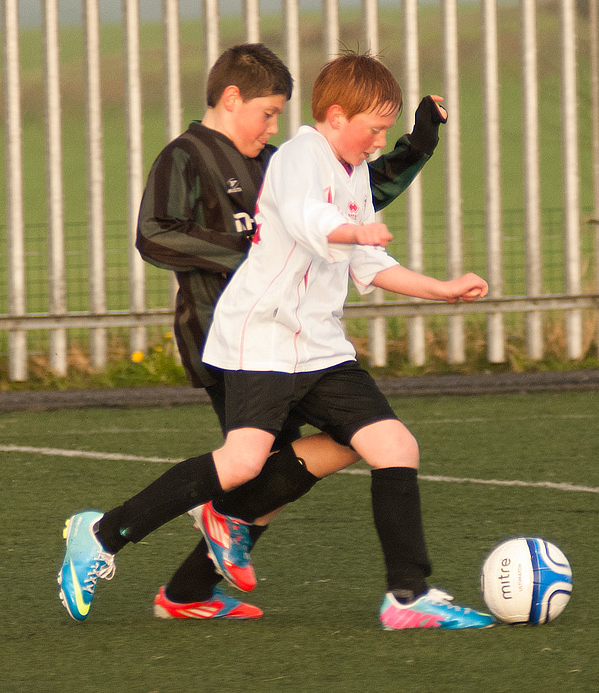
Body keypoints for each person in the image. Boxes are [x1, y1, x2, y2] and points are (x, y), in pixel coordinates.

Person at [58, 43, 448, 622]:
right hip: (230, 335)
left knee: (283, 467)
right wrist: (251, 248)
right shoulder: (186, 156)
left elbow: (356, 194)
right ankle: (126, 543)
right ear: (231, 98)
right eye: (267, 113)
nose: (272, 126)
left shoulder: (276, 160)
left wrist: (417, 146)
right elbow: (154, 234)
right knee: (259, 468)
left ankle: (186, 591)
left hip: (301, 339)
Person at [199, 51, 494, 630]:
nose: (380, 142)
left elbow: (368, 262)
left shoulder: (354, 169)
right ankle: (118, 534)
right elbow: (311, 218)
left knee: (393, 445)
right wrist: (353, 230)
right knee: (245, 465)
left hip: (317, 346)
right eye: (375, 129)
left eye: (387, 131)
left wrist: (440, 289)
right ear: (336, 116)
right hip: (256, 339)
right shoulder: (296, 157)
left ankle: (407, 598)